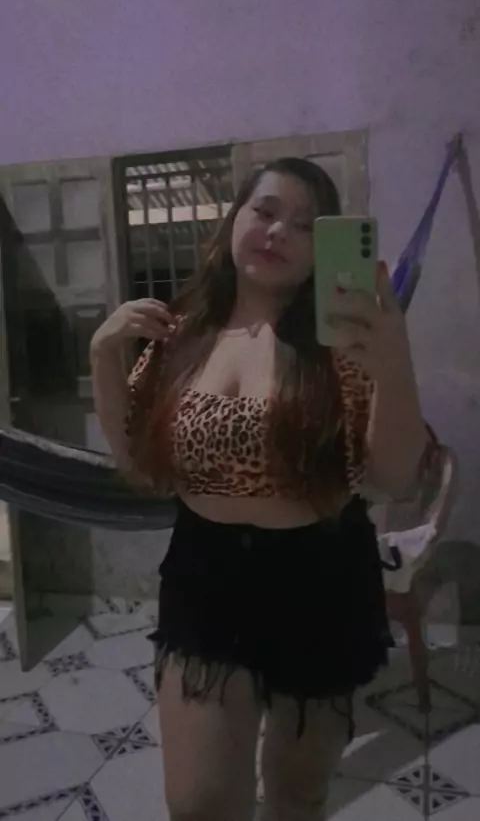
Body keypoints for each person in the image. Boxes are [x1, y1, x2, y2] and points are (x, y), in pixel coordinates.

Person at [90, 158, 434, 821]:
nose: (279, 231)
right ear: (234, 222)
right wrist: (103, 354)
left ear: (322, 249)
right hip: (206, 577)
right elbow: (140, 467)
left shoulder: (343, 342)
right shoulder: (181, 334)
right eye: (266, 211)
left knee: (297, 794)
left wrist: (394, 360)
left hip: (323, 577)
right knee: (198, 804)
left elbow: (393, 477)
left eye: (305, 225)